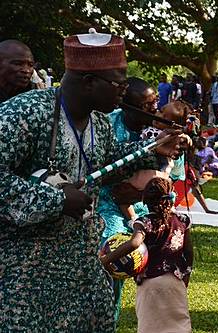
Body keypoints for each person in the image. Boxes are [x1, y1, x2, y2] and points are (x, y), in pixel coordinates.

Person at [0, 30, 186, 331]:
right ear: (88, 82)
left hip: (82, 263)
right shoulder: (26, 113)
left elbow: (108, 161)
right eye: (118, 82)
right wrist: (57, 199)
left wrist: (152, 149)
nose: (124, 91)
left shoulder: (98, 121)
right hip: (26, 271)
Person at [96, 77, 158, 322]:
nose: (154, 108)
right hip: (107, 207)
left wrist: (143, 193)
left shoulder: (161, 132)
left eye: (155, 102)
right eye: (147, 104)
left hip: (145, 210)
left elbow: (173, 178)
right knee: (111, 260)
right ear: (127, 105)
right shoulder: (107, 126)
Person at [100, 177, 193, 333]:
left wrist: (106, 259)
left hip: (149, 281)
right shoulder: (183, 220)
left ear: (146, 202)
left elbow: (135, 243)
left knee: (150, 325)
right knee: (178, 325)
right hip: (175, 280)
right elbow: (188, 252)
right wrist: (186, 274)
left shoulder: (144, 222)